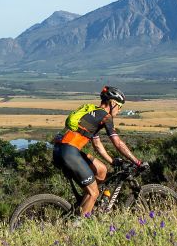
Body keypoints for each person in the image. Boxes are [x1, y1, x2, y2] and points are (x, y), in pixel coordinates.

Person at [51, 86, 149, 216]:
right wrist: (137, 162)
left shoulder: (93, 114)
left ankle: (87, 203)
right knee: (94, 192)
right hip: (69, 152)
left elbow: (97, 144)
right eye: (119, 106)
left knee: (102, 169)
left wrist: (112, 161)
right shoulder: (106, 117)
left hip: (61, 150)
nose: (119, 110)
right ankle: (76, 225)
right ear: (113, 103)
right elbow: (118, 143)